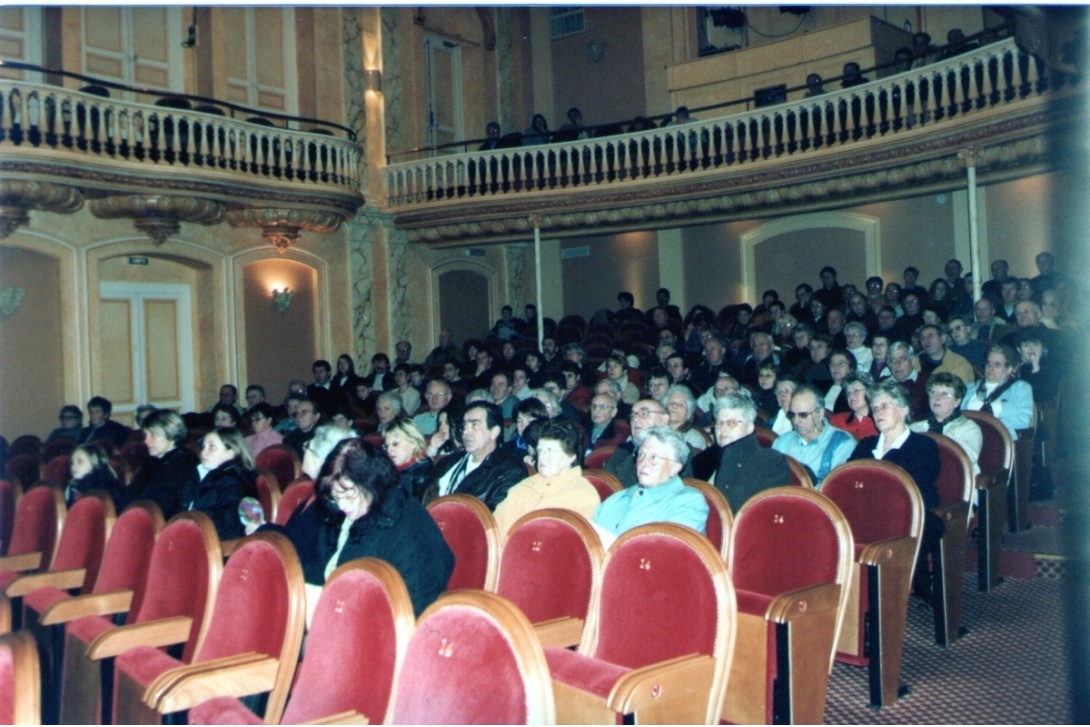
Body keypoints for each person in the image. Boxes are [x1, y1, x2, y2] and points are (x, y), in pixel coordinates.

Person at [307, 439, 454, 617]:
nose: (343, 505)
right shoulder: (348, 512)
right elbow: (323, 564)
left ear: (372, 483)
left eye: (349, 496)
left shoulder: (407, 526)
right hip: (344, 609)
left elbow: (415, 606)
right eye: (336, 497)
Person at [848, 380, 942, 598]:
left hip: (915, 514)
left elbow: (913, 487)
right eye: (874, 408)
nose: (878, 412)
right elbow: (848, 480)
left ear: (904, 409)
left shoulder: (923, 446)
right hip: (869, 514)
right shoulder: (865, 446)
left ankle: (902, 592)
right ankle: (858, 599)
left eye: (885, 405)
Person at [593, 426, 708, 540]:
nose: (643, 462)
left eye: (654, 457)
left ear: (675, 468)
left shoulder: (688, 502)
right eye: (641, 454)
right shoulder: (615, 499)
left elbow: (668, 551)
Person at [492, 418, 599, 539]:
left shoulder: (583, 494)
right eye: (540, 451)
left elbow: (564, 543)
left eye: (550, 451)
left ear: (571, 457)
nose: (543, 457)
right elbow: (495, 526)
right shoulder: (524, 486)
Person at [424, 402, 527, 510]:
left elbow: (490, 516)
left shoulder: (510, 470)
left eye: (475, 425)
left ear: (494, 432)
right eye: (465, 426)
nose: (466, 432)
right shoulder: (448, 462)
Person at [709, 393, 790, 513]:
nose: (723, 429)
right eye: (720, 423)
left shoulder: (770, 461)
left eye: (731, 423)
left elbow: (762, 514)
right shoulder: (708, 460)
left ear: (749, 428)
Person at [182, 427, 258, 540]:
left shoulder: (234, 481)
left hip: (215, 545)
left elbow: (228, 528)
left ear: (230, 453)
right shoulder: (201, 474)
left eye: (211, 447)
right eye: (203, 446)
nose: (203, 452)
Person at [771, 383, 855, 485]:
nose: (796, 421)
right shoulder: (782, 442)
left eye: (803, 415)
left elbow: (836, 488)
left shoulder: (842, 443)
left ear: (819, 414)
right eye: (792, 415)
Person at [910, 372, 982, 476]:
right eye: (933, 392)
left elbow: (964, 461)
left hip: (957, 482)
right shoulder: (916, 428)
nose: (937, 398)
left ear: (957, 401)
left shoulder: (969, 428)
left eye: (944, 394)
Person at [962, 344, 1034, 440]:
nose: (991, 368)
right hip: (968, 436)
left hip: (999, 438)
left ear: (1009, 369)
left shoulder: (1020, 388)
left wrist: (992, 424)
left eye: (997, 365)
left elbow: (1024, 419)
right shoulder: (971, 388)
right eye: (988, 363)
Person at [383, 418, 434, 500]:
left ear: (413, 443)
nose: (389, 450)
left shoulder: (422, 474)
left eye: (395, 444)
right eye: (387, 446)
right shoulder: (390, 470)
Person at [828, 372, 878, 439]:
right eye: (848, 393)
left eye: (856, 391)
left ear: (869, 392)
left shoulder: (878, 421)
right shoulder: (837, 420)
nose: (851, 396)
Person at [663, 384, 707, 451]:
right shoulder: (656, 429)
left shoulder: (695, 438)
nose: (674, 406)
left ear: (689, 414)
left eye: (681, 404)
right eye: (671, 402)